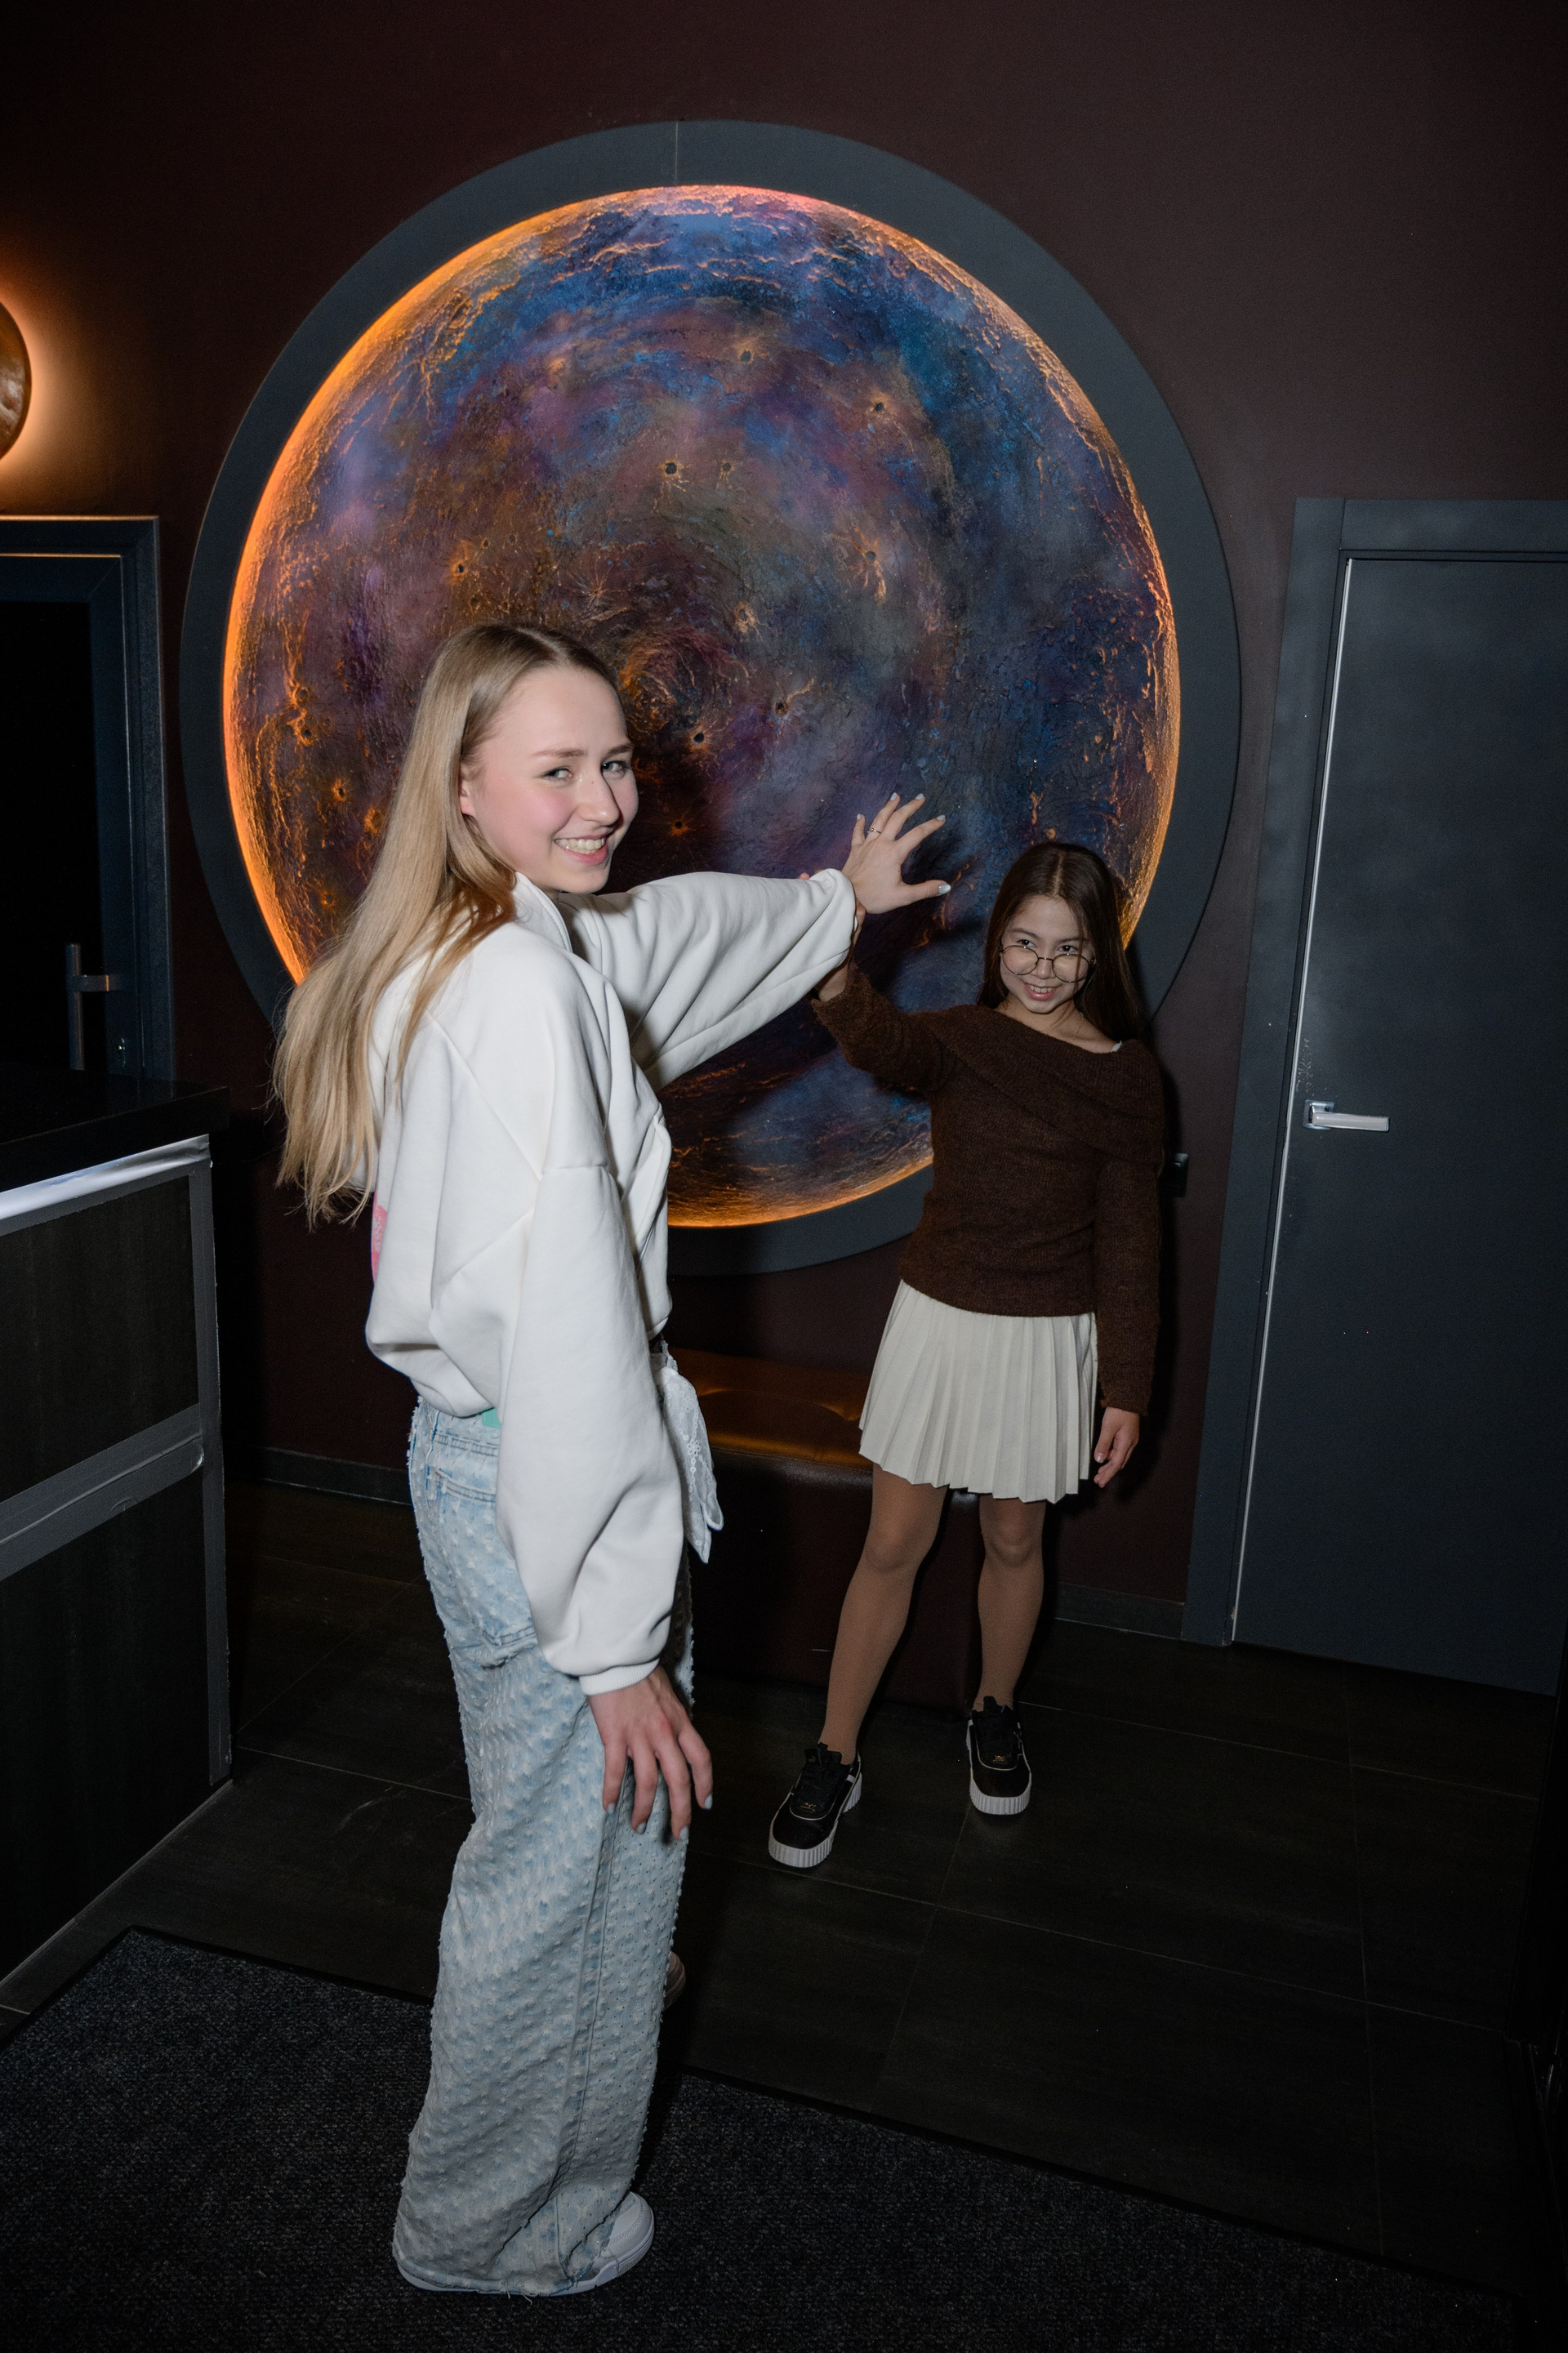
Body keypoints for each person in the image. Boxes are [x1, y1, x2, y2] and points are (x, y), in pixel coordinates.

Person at [274, 622, 945, 2297]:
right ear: (464, 785)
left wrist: (834, 904)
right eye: (557, 771)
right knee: (565, 1888)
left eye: (616, 765)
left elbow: (669, 939)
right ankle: (491, 2229)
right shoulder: (514, 988)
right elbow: (570, 1332)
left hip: (493, 1473)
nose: (603, 803)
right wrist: (615, 1642)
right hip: (543, 1487)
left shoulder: (499, 940)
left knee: (558, 1859)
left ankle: (502, 2186)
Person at [767, 825, 1164, 1869]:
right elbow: (879, 1042)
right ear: (999, 946)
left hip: (1047, 1337)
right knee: (892, 1544)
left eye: (1067, 949)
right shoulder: (962, 1040)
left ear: (1097, 956)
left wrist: (1126, 1387)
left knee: (1016, 1542)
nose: (1043, 968)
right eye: (1025, 943)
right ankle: (834, 1752)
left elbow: (1132, 1243)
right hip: (940, 1321)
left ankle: (994, 1709)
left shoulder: (1127, 1079)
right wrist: (841, 932)